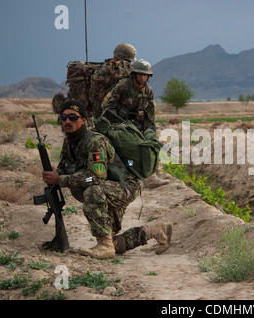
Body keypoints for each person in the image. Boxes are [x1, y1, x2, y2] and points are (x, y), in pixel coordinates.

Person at [42, 100, 172, 259]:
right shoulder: (69, 142)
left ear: (83, 120)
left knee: (93, 192)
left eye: (73, 117)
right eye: (64, 118)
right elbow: (65, 167)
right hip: (109, 187)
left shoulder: (95, 142)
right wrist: (54, 174)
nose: (67, 121)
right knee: (115, 243)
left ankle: (104, 246)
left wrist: (61, 180)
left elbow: (96, 177)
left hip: (123, 186)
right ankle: (158, 231)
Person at [102, 58, 170, 189]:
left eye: (145, 75)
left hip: (138, 125)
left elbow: (149, 113)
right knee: (136, 145)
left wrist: (149, 130)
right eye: (140, 74)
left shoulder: (148, 91)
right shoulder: (122, 86)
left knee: (152, 143)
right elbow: (109, 108)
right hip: (119, 125)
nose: (143, 77)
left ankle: (153, 171)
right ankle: (147, 177)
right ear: (134, 74)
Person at [89, 43, 137, 121]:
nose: (129, 64)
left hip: (99, 112)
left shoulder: (102, 67)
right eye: (128, 62)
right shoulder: (117, 68)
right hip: (111, 114)